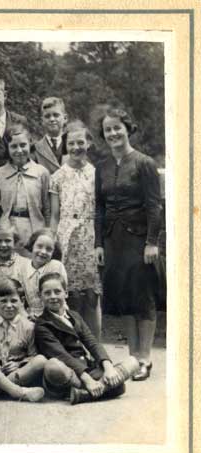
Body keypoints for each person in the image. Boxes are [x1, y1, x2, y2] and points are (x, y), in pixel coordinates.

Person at [95, 107, 163, 381]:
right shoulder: (102, 167)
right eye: (108, 129)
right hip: (113, 242)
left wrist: (151, 242)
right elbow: (99, 208)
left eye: (117, 127)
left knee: (142, 296)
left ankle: (145, 357)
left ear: (127, 128)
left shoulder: (144, 163)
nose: (113, 133)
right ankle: (133, 357)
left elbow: (154, 206)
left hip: (138, 241)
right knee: (123, 296)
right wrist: (99, 244)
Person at [35, 272, 140, 404]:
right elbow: (61, 355)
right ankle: (103, 387)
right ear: (40, 296)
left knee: (133, 362)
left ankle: (83, 394)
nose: (53, 297)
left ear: (66, 293)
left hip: (87, 368)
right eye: (47, 293)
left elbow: (92, 342)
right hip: (68, 373)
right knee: (53, 366)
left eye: (57, 292)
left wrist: (108, 368)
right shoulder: (42, 324)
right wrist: (88, 379)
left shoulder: (74, 316)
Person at [49, 120, 102, 338]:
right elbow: (54, 215)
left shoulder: (97, 174)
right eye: (71, 143)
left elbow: (101, 210)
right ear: (65, 145)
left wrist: (100, 242)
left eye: (81, 142)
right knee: (69, 293)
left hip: (89, 236)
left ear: (88, 143)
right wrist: (54, 242)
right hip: (66, 236)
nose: (76, 147)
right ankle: (73, 345)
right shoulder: (57, 176)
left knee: (91, 294)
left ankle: (96, 348)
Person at [0, 122, 51, 254]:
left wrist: (47, 233)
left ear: (30, 144)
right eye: (13, 146)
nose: (19, 150)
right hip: (7, 229)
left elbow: (47, 209)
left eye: (23, 145)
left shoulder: (41, 172)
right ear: (7, 148)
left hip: (34, 227)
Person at [20, 228, 68, 318]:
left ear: (54, 252)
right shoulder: (23, 268)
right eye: (39, 246)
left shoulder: (56, 266)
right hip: (32, 315)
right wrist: (26, 315)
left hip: (56, 313)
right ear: (32, 245)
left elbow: (61, 296)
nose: (43, 252)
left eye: (49, 249)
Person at [33, 97, 68, 174]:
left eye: (56, 115)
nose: (52, 119)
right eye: (47, 116)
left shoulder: (73, 144)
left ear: (65, 118)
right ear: (42, 121)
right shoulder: (36, 149)